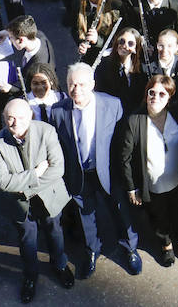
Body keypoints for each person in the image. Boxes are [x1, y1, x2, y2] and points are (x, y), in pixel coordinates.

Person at [46, 63, 141, 278]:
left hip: (108, 171)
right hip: (79, 175)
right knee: (86, 216)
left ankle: (130, 248)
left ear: (92, 85)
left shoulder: (112, 105)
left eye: (81, 84)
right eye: (71, 84)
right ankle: (92, 250)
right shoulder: (58, 110)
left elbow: (121, 142)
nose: (76, 89)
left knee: (119, 210)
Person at [0, 97, 76, 303]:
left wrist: (22, 184)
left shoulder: (46, 131)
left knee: (55, 232)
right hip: (20, 204)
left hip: (48, 197)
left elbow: (57, 169)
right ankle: (30, 275)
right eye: (10, 118)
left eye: (20, 117)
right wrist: (35, 174)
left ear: (30, 115)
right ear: (4, 118)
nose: (15, 123)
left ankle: (60, 265)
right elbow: (1, 181)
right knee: (27, 240)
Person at [117, 74, 178, 266]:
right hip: (153, 184)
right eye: (152, 92)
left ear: (170, 97)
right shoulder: (135, 121)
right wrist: (131, 188)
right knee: (159, 217)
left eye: (162, 94)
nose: (155, 97)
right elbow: (124, 158)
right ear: (146, 94)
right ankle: (166, 244)